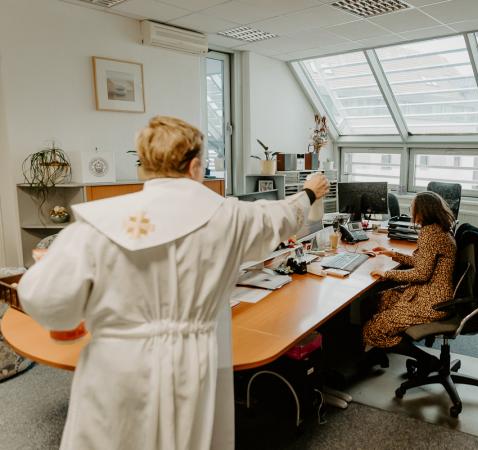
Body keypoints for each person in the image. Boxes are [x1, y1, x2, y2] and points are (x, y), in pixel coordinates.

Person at [17, 116, 330, 450]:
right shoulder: (230, 216)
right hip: (189, 363)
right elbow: (279, 217)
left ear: (144, 166)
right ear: (196, 166)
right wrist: (309, 192)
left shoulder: (96, 223)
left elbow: (47, 302)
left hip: (115, 363)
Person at [362, 191, 456, 350]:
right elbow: (424, 263)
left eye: (413, 207)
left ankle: (425, 360)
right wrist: (393, 254)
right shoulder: (439, 229)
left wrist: (387, 273)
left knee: (371, 330)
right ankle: (380, 346)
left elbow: (421, 273)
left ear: (422, 211)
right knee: (376, 301)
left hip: (432, 302)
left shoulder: (430, 234)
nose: (411, 211)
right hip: (431, 294)